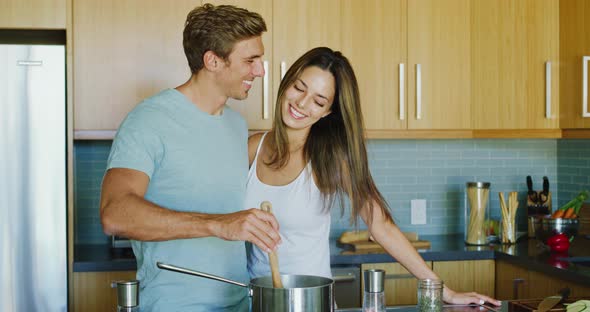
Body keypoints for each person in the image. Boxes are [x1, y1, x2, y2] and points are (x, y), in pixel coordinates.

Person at [244, 47, 501, 306]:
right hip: (256, 302)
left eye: (318, 101)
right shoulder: (251, 148)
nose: (301, 103)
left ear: (327, 112)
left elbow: (381, 227)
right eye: (299, 87)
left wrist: (444, 292)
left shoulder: (332, 158)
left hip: (312, 304)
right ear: (286, 82)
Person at [99, 4, 281, 311]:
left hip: (238, 303)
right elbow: (114, 213)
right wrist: (218, 225)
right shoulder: (149, 119)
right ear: (212, 60)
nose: (261, 70)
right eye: (251, 60)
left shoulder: (236, 126)